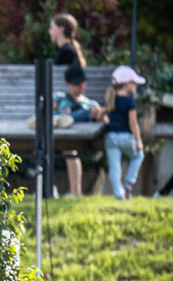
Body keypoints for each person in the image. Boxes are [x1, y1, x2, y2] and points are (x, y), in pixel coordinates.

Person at [50, 65, 108, 197]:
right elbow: (49, 109)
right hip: (58, 132)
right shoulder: (60, 97)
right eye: (77, 84)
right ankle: (48, 188)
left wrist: (98, 115)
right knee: (62, 118)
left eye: (82, 83)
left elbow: (105, 121)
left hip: (78, 137)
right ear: (67, 84)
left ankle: (75, 192)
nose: (81, 87)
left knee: (84, 114)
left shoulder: (90, 103)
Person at [103, 65, 146, 200]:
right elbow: (133, 123)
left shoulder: (110, 99)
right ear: (127, 84)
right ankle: (128, 182)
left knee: (114, 166)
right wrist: (138, 140)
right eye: (134, 83)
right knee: (138, 155)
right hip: (126, 138)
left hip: (111, 137)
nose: (135, 86)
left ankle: (119, 193)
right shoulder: (130, 102)